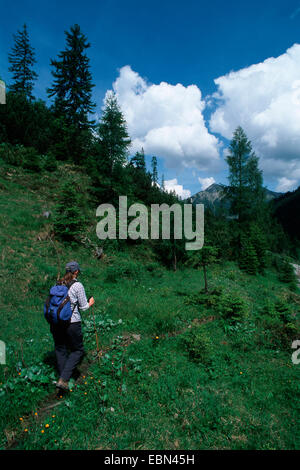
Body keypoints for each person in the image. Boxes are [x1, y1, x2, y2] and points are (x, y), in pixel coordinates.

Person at [51, 261, 94, 391]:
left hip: (56, 322)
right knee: (78, 350)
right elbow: (83, 307)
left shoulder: (58, 283)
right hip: (72, 323)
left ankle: (63, 378)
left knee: (60, 349)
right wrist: (91, 302)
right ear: (76, 272)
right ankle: (64, 379)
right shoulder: (77, 285)